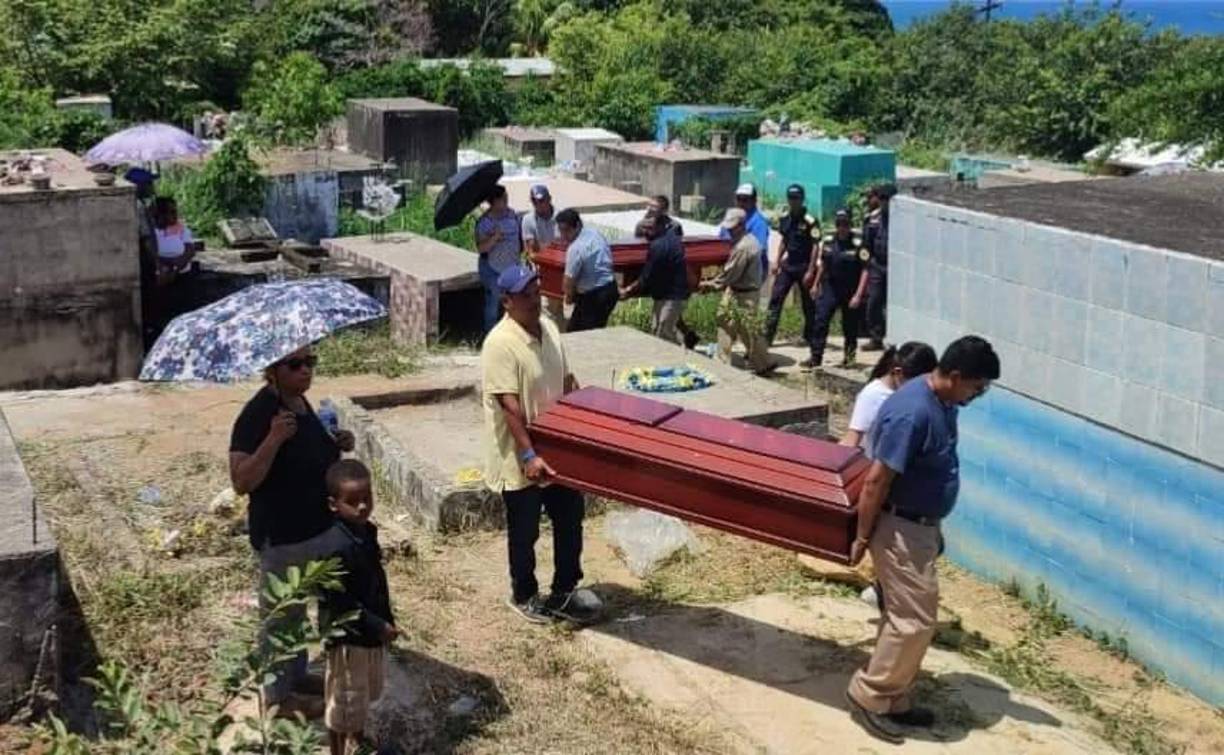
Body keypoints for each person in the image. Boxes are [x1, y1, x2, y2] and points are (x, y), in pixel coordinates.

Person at [845, 336, 1000, 745]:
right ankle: (871, 696)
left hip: (921, 526)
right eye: (976, 386)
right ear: (952, 376)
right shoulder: (912, 413)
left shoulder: (943, 403)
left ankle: (895, 697)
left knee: (907, 616)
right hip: (900, 528)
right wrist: (862, 536)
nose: (977, 395)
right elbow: (877, 480)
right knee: (914, 621)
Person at [230, 346, 357, 718]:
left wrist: (336, 443)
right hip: (283, 538)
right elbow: (241, 481)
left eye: (311, 362)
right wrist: (272, 439)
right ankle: (278, 699)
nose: (306, 371)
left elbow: (310, 453)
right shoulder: (258, 414)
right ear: (272, 370)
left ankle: (297, 677)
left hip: (316, 529)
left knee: (305, 611)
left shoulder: (300, 402)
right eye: (296, 365)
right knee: (282, 619)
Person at [481, 264, 596, 624]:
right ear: (506, 301)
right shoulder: (500, 343)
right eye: (525, 295)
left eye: (536, 292)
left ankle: (565, 590)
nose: (534, 300)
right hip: (521, 456)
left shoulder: (548, 327)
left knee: (569, 519)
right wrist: (529, 454)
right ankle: (524, 594)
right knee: (525, 530)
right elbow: (509, 406)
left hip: (557, 449)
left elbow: (567, 379)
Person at [318, 460, 396, 755]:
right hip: (348, 638)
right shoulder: (333, 546)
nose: (362, 507)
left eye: (367, 498)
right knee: (343, 702)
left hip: (368, 634)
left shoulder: (365, 532)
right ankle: (338, 749)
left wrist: (383, 619)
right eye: (353, 502)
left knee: (360, 698)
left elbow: (375, 582)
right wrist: (378, 625)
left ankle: (357, 740)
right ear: (333, 504)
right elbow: (339, 601)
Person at [701, 208, 773, 375]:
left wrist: (709, 284)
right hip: (738, 291)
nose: (730, 231)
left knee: (744, 328)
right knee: (730, 323)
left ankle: (759, 363)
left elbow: (730, 274)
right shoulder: (748, 241)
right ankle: (730, 361)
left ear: (742, 226)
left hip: (744, 293)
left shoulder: (743, 247)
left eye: (733, 228)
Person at [841, 341, 938, 450]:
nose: (922, 389)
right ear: (898, 373)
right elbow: (853, 438)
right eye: (917, 383)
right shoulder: (873, 395)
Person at [765, 184, 821, 368]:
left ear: (802, 199)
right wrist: (776, 260)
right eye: (790, 198)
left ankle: (811, 339)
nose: (793, 201)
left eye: (796, 198)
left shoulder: (810, 221)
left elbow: (815, 246)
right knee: (776, 299)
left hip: (805, 265)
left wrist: (811, 270)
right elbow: (784, 240)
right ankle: (767, 337)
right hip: (789, 265)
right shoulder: (786, 219)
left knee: (808, 305)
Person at [809, 209, 869, 368]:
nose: (842, 227)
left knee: (849, 326)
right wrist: (816, 284)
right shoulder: (829, 241)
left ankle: (849, 359)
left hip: (850, 290)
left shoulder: (858, 244)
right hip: (830, 287)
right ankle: (815, 358)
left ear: (850, 224)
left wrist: (858, 295)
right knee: (820, 321)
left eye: (845, 224)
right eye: (839, 224)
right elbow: (823, 264)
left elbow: (865, 269)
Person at [621, 214, 689, 344]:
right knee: (658, 329)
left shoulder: (658, 246)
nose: (646, 231)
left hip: (672, 296)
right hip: (667, 294)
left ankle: (681, 358)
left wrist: (628, 290)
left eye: (649, 228)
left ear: (660, 227)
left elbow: (647, 276)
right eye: (644, 228)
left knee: (664, 333)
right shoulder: (672, 239)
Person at [643, 196, 699, 349]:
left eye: (654, 208)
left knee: (665, 322)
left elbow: (674, 248)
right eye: (649, 206)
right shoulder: (646, 221)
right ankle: (688, 336)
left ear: (664, 210)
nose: (650, 210)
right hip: (659, 274)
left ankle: (680, 346)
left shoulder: (674, 226)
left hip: (670, 273)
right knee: (666, 317)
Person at [556, 208, 617, 332]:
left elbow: (568, 282)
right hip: (610, 290)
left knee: (578, 335)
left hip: (594, 297)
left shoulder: (575, 248)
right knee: (593, 330)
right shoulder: (595, 233)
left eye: (566, 231)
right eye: (561, 231)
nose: (563, 236)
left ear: (577, 225)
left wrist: (568, 300)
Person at [475, 184, 523, 336]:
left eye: (506, 197)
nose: (506, 200)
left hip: (512, 267)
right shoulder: (484, 223)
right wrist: (494, 238)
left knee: (514, 302)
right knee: (493, 305)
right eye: (502, 198)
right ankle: (490, 336)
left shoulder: (512, 215)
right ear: (493, 202)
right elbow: (481, 248)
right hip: (493, 270)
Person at [862, 184, 896, 352]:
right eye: (881, 199)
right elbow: (866, 245)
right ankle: (876, 338)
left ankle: (893, 339)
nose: (883, 203)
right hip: (878, 265)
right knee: (873, 302)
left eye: (886, 199)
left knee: (893, 305)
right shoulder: (873, 219)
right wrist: (868, 265)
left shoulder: (900, 217)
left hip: (895, 267)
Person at [719, 183, 770, 275]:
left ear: (754, 201)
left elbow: (759, 250)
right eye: (739, 199)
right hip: (734, 264)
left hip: (754, 269)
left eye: (745, 200)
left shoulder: (759, 222)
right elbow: (722, 238)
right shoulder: (732, 217)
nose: (741, 203)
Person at [152, 197, 199, 277]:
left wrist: (176, 269)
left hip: (182, 274)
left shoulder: (182, 229)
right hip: (159, 274)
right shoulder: (151, 231)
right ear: (160, 214)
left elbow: (190, 250)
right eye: (172, 212)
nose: (176, 215)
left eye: (176, 211)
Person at [521, 183, 557, 257]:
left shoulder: (562, 217)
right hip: (540, 261)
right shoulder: (527, 220)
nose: (537, 204)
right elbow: (530, 249)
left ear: (549, 199)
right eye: (534, 200)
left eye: (541, 200)